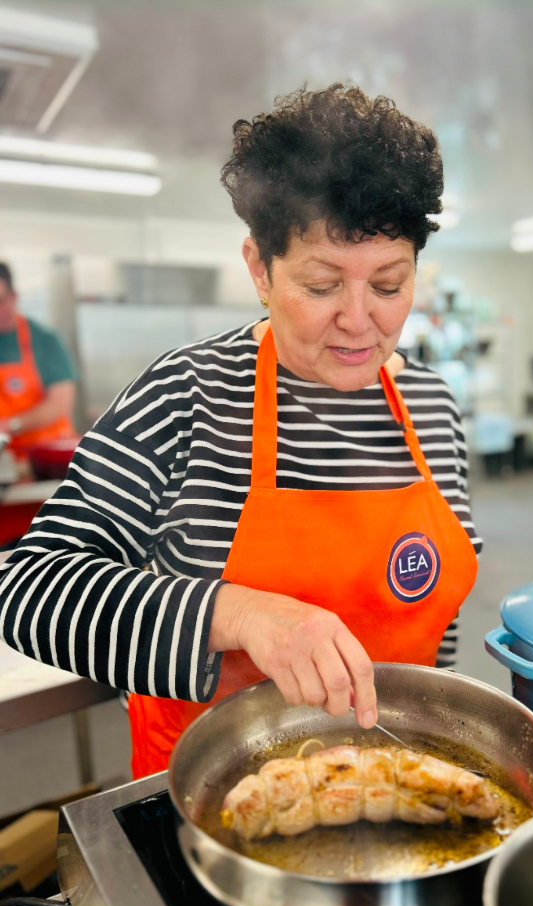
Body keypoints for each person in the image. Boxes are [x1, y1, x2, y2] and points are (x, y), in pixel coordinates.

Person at [0, 85, 482, 779]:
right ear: (260, 268)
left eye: (387, 285)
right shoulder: (184, 395)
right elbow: (28, 588)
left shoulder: (431, 405)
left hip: (389, 788)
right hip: (211, 797)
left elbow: (438, 628)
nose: (358, 321)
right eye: (321, 285)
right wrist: (241, 615)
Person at [0, 262, 77, 461]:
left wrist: (10, 425)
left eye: (0, 301)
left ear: (13, 297)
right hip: (6, 461)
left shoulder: (44, 340)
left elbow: (60, 403)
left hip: (46, 458)